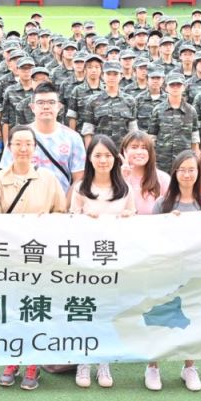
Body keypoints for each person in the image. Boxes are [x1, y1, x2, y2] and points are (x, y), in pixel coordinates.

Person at [0, 126, 66, 390]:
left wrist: (48, 220)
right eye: (18, 144)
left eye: (28, 144)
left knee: (35, 309)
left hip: (40, 256)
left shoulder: (48, 179)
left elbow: (62, 213)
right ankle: (13, 360)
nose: (23, 149)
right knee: (12, 310)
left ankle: (33, 362)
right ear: (9, 147)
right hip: (10, 258)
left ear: (35, 148)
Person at [67, 134, 135, 388]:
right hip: (86, 262)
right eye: (98, 155)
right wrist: (84, 217)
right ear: (89, 158)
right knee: (85, 310)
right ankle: (83, 361)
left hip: (114, 261)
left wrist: (128, 216)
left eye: (107, 155)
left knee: (107, 311)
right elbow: (70, 223)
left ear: (115, 158)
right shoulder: (80, 188)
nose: (103, 160)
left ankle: (103, 362)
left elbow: (134, 219)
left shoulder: (124, 189)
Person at [148, 150, 201, 392]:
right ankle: (153, 366)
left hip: (194, 271)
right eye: (182, 170)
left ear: (199, 173)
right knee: (161, 316)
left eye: (191, 170)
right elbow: (150, 237)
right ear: (175, 173)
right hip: (165, 271)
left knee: (192, 316)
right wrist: (167, 222)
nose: (187, 175)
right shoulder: (162, 203)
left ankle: (189, 366)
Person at [0, 83, 85, 193]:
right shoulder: (18, 136)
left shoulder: (73, 138)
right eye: (40, 102)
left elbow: (79, 179)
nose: (46, 107)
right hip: (25, 200)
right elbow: (6, 174)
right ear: (32, 107)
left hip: (61, 200)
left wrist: (65, 202)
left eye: (51, 102)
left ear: (59, 106)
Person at [119, 131, 170, 215]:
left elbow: (173, 208)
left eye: (144, 148)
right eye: (134, 147)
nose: (139, 152)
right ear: (124, 151)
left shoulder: (163, 178)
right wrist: (123, 179)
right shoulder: (116, 177)